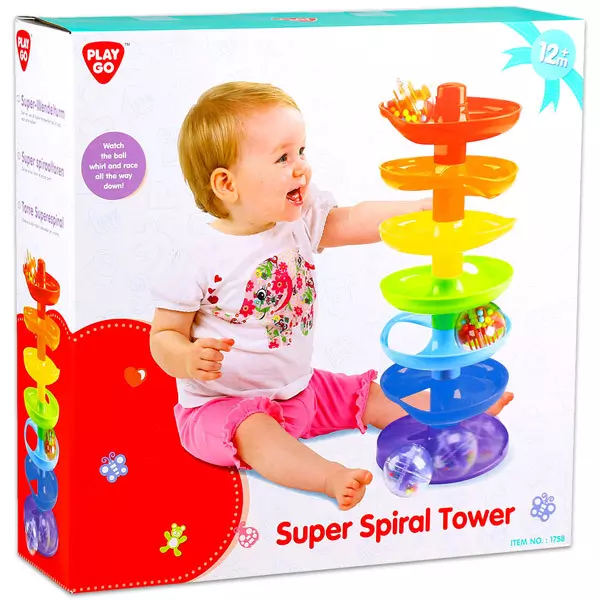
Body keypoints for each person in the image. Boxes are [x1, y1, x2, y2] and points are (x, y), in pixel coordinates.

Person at [150, 81, 513, 510]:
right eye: (283, 157)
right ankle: (326, 475)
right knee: (257, 433)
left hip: (300, 391)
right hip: (221, 408)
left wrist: (419, 209)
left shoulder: (298, 220)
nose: (301, 168)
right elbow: (163, 335)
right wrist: (187, 358)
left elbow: (351, 219)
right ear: (227, 184)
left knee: (367, 394)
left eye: (301, 151)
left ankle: (453, 415)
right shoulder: (196, 257)